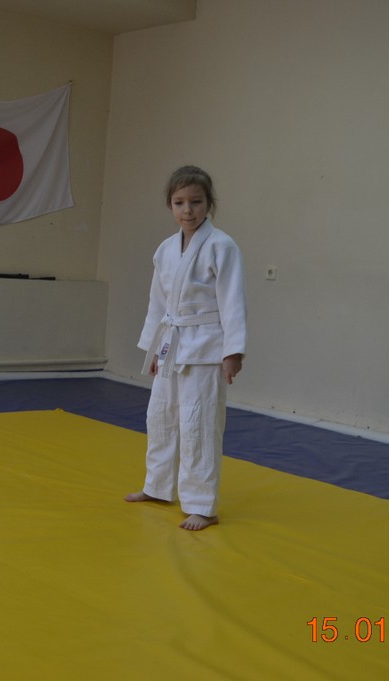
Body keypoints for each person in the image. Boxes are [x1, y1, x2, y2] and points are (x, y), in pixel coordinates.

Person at [125, 166, 247, 531]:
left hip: (207, 346)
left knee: (199, 424)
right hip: (171, 344)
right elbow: (157, 303)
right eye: (179, 202)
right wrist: (152, 349)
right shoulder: (165, 249)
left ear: (209, 203)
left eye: (196, 201)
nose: (188, 210)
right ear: (170, 205)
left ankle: (203, 505)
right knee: (160, 416)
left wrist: (232, 352)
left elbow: (232, 301)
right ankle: (158, 487)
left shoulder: (222, 246)